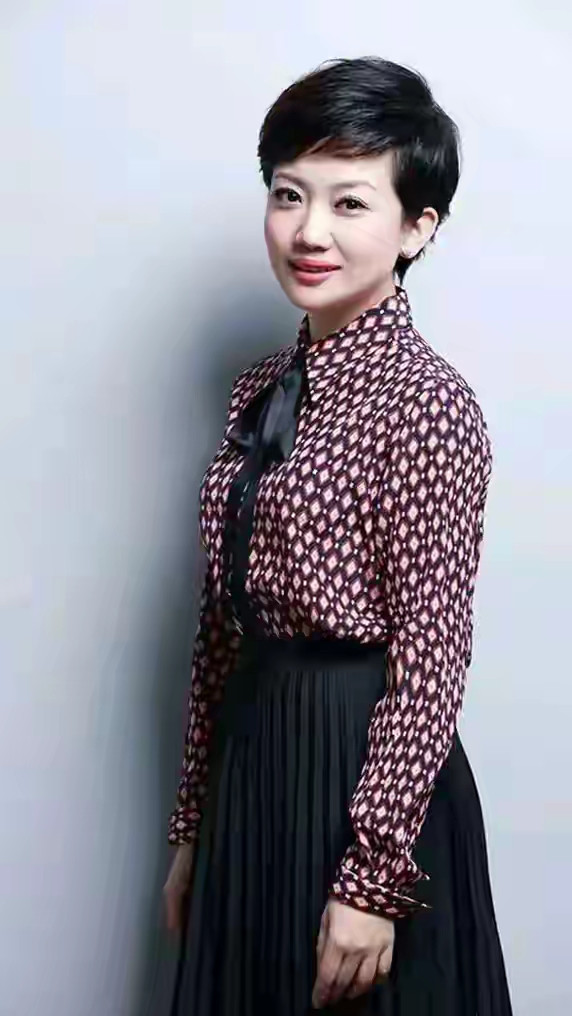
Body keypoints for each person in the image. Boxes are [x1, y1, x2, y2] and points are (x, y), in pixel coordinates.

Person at [163, 56, 513, 1015]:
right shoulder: (259, 391)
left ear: (417, 228)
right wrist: (193, 825)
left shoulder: (428, 406)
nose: (309, 231)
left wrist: (373, 882)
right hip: (255, 768)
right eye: (289, 195)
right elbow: (218, 625)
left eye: (350, 203)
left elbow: (433, 655)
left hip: (363, 778)